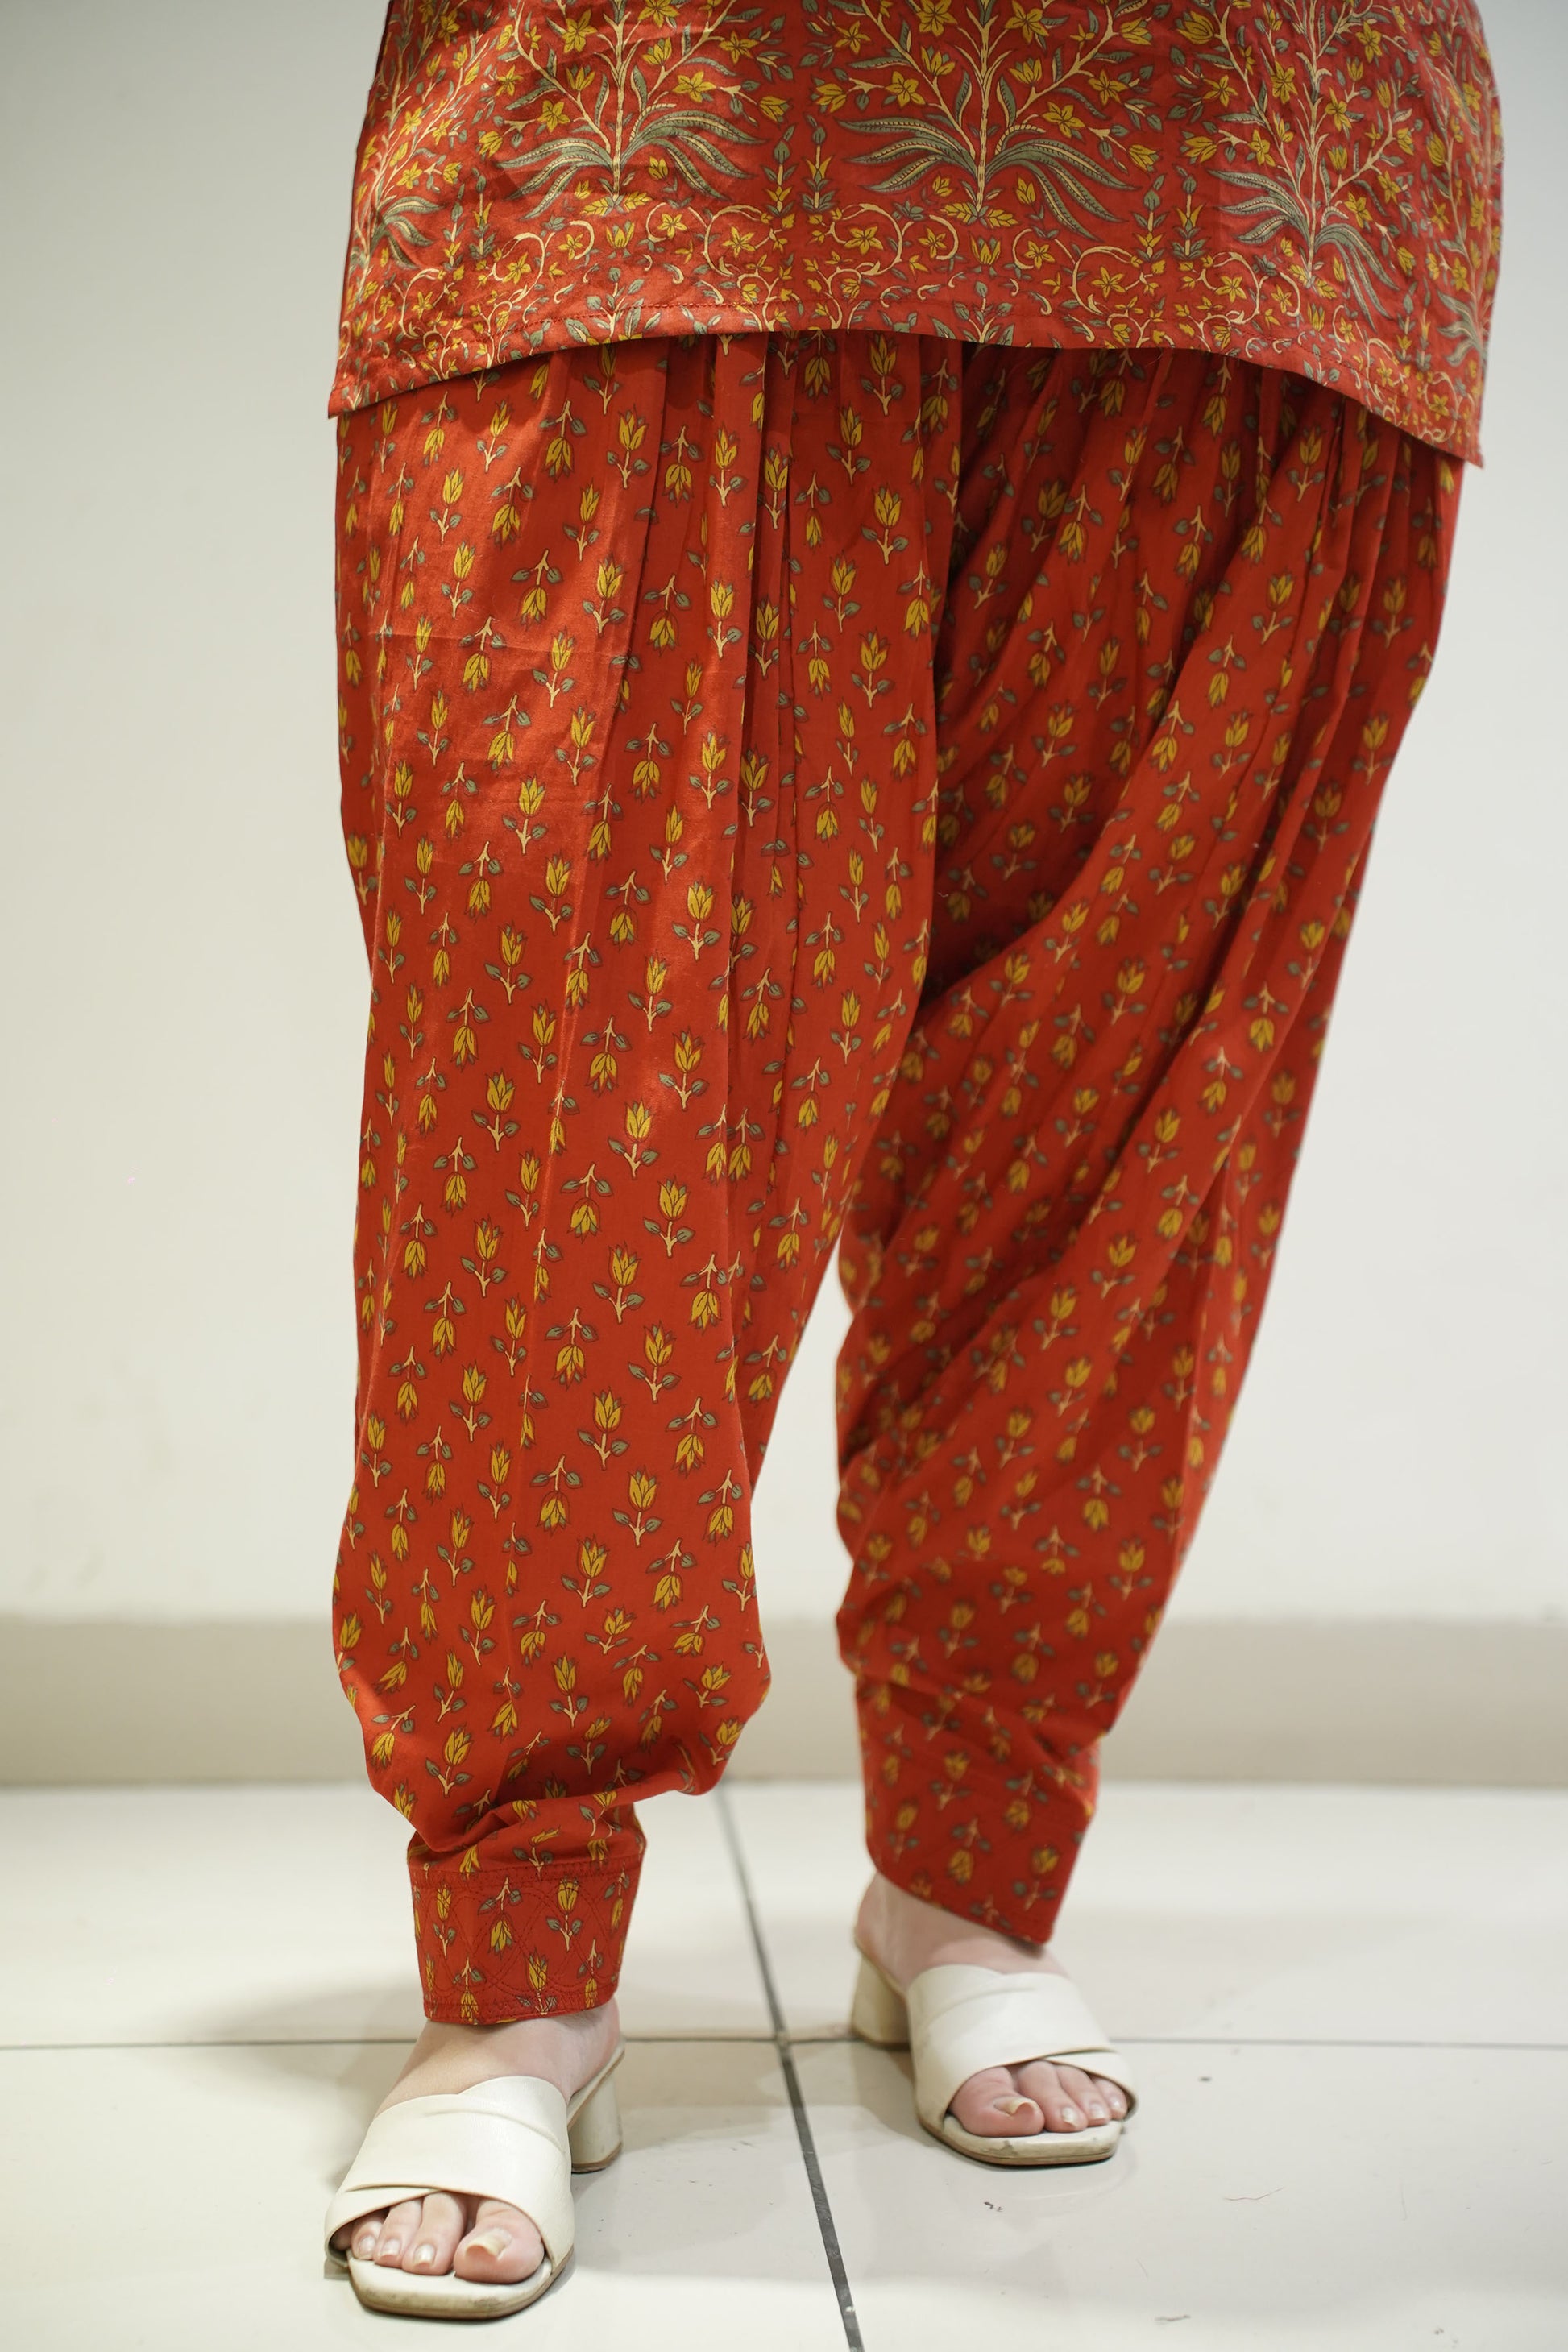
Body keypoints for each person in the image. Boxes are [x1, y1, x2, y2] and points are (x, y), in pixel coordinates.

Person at [320, 0, 1502, 2319]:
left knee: (1112, 1123)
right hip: (661, 142)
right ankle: (519, 1962)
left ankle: (966, 1875)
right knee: (572, 1105)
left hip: (1251, 165)